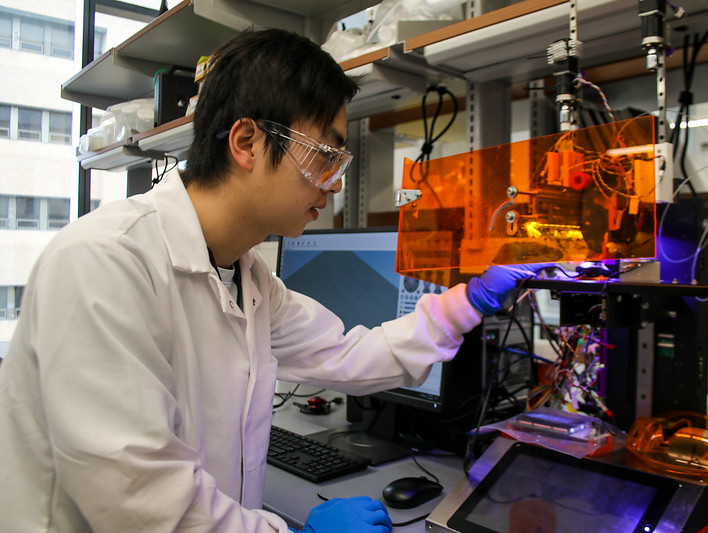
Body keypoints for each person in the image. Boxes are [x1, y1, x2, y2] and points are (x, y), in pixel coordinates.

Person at [0, 28, 536, 532]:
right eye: (324, 156)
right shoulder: (105, 263)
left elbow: (352, 355)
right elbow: (138, 500)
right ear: (247, 142)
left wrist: (473, 299)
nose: (332, 186)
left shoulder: (248, 278)